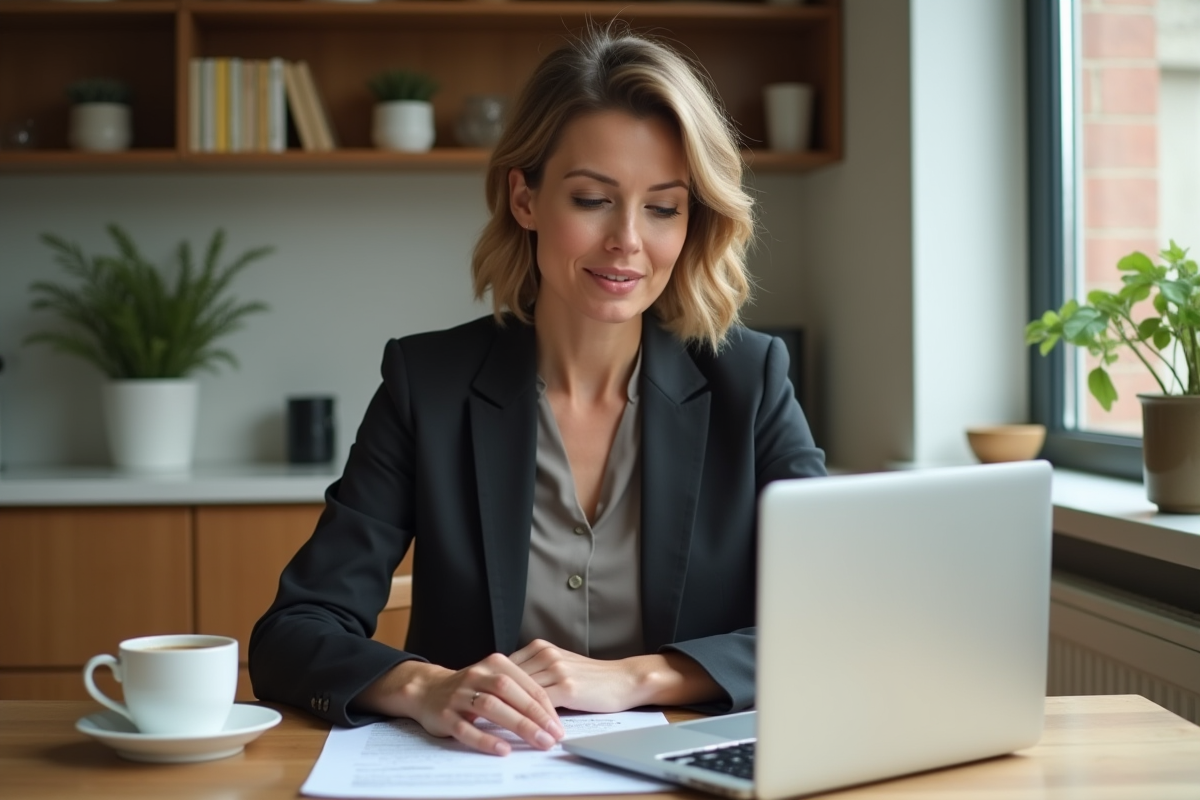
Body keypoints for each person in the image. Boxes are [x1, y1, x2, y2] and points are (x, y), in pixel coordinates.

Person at [248, 26, 826, 757]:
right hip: (482, 771)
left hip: (689, 772)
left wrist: (635, 677)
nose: (627, 241)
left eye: (663, 207)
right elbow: (292, 634)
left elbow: (833, 616)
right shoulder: (427, 385)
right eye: (592, 199)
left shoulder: (751, 379)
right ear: (524, 198)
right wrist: (425, 688)